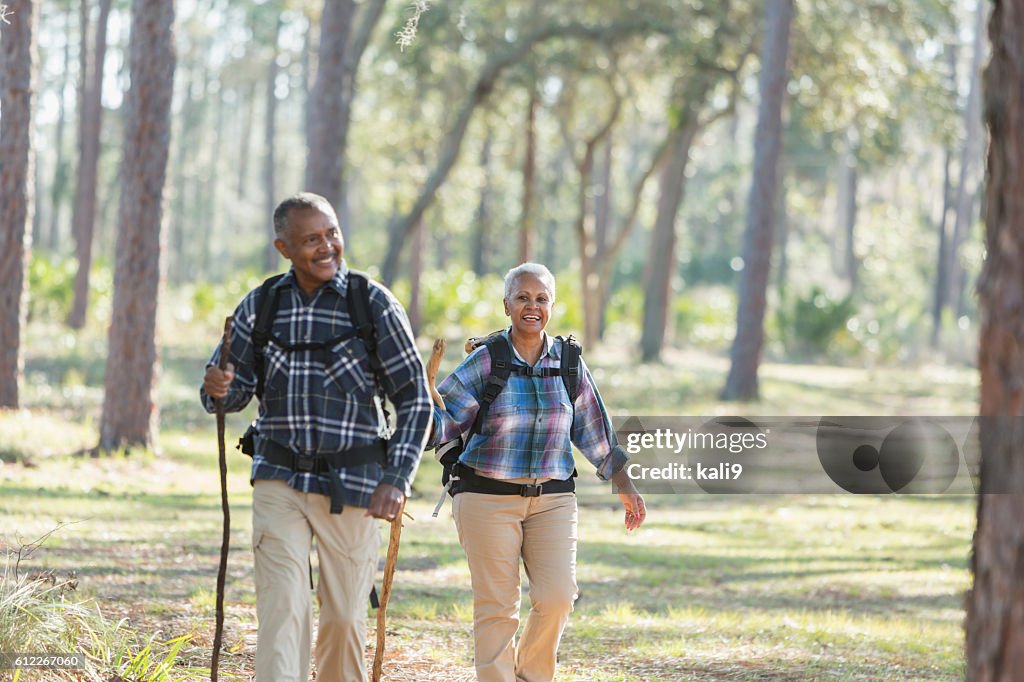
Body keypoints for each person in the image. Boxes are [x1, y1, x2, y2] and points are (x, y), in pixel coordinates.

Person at [200, 192, 431, 682]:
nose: (327, 247)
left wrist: (398, 477)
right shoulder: (261, 305)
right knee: (282, 612)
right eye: (311, 239)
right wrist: (217, 386)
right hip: (278, 479)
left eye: (332, 234)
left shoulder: (371, 304)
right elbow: (231, 390)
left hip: (355, 486)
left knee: (344, 618)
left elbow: (415, 399)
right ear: (284, 247)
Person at [429, 262, 646, 682]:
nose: (533, 306)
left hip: (552, 499)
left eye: (541, 298)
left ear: (552, 306)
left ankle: (530, 676)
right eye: (523, 297)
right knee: (497, 605)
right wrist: (418, 415)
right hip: (486, 497)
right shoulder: (485, 360)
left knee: (558, 597)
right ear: (507, 304)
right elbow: (444, 419)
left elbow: (593, 429)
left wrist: (625, 485)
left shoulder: (568, 362)